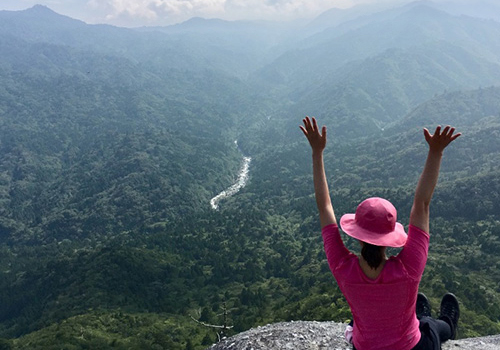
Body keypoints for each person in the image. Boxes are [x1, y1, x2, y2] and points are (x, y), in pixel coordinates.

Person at [300, 116, 461, 350]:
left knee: (373, 320)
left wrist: (317, 151)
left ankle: (421, 314)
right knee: (430, 326)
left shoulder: (344, 270)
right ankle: (447, 322)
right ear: (389, 239)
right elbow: (422, 204)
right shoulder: (408, 269)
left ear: (356, 235)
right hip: (412, 347)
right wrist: (436, 152)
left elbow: (324, 206)